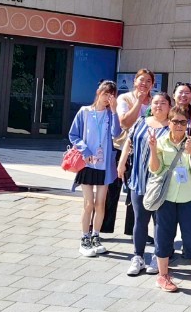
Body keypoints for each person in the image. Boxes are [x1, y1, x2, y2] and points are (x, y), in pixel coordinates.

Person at [149, 104, 191, 292]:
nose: (179, 125)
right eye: (175, 121)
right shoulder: (161, 142)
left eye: (183, 122)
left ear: (187, 124)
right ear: (169, 122)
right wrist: (152, 149)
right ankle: (162, 276)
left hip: (187, 197)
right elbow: (155, 169)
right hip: (166, 197)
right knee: (163, 235)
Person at [118, 91, 171, 276]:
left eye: (163, 103)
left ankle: (158, 256)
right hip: (139, 178)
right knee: (140, 219)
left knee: (159, 221)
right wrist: (122, 162)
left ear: (169, 107)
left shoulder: (172, 127)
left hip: (160, 182)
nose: (158, 106)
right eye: (155, 103)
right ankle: (138, 257)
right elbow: (129, 142)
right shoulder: (141, 121)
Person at [68, 80, 122, 257]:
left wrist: (114, 111)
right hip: (87, 164)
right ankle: (85, 238)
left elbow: (116, 133)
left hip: (104, 165)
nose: (108, 98)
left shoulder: (110, 114)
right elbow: (73, 135)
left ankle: (96, 236)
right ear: (99, 92)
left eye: (111, 95)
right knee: (88, 203)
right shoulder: (84, 112)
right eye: (106, 94)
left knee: (100, 203)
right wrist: (85, 150)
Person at [116, 70, 155, 235]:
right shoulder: (125, 98)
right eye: (141, 80)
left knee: (145, 191)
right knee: (128, 192)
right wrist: (138, 102)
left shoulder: (155, 101)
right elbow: (125, 123)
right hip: (127, 150)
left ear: (152, 84)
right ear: (134, 81)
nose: (144, 84)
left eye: (148, 81)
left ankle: (139, 232)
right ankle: (135, 232)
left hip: (148, 152)